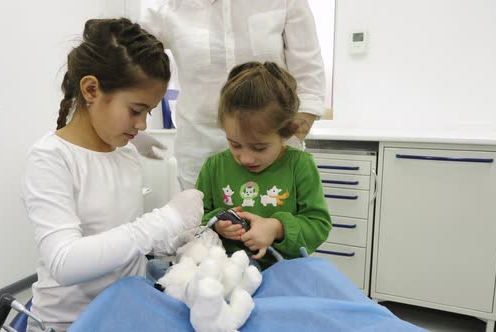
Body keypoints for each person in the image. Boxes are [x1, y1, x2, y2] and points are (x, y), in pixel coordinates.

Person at [21, 18, 204, 332]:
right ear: (91, 89)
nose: (143, 124)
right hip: (71, 322)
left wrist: (175, 240)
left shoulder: (126, 153)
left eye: (148, 112)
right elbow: (65, 262)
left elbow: (121, 237)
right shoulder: (50, 159)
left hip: (126, 309)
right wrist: (165, 219)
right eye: (136, 110)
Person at [141, 0, 326, 189]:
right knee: (206, 217)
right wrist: (133, 125)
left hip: (272, 153)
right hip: (200, 153)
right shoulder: (168, 7)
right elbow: (125, 59)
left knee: (278, 217)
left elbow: (310, 82)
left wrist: (289, 144)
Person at [195, 62, 331, 269]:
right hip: (222, 273)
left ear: (285, 132)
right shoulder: (214, 167)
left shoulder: (299, 166)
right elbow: (195, 218)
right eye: (235, 144)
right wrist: (216, 224)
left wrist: (276, 228)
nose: (246, 158)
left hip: (282, 274)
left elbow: (318, 225)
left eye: (259, 148)